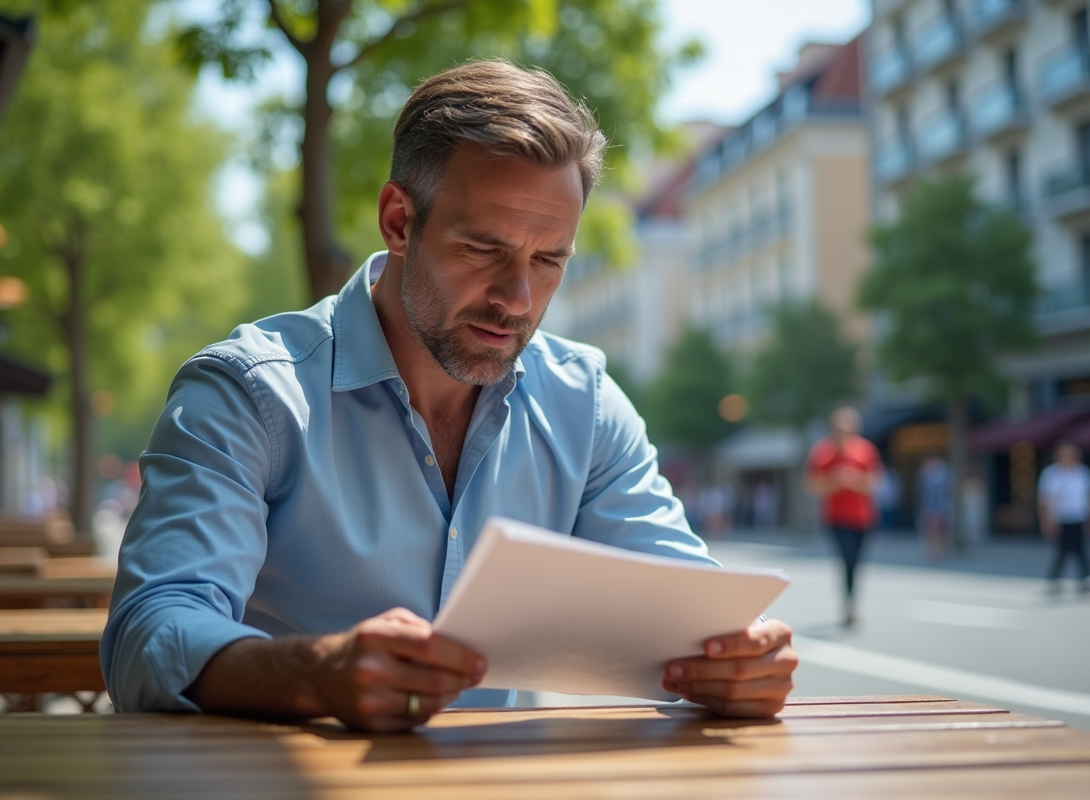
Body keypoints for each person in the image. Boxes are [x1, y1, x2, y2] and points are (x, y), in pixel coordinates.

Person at [101, 60, 797, 732]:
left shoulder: (583, 403)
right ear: (399, 221)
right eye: (482, 249)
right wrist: (316, 673)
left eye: (549, 259)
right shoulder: (248, 394)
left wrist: (741, 656)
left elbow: (693, 609)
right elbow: (149, 634)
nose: (517, 298)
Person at [805, 407, 882, 627]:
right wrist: (836, 481)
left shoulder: (865, 450)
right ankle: (849, 606)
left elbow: (874, 484)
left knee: (856, 562)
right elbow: (813, 486)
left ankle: (852, 601)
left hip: (863, 517)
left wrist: (854, 480)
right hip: (836, 517)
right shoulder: (823, 452)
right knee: (846, 559)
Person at [1037, 442, 1090, 595]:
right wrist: (1046, 521)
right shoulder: (1051, 474)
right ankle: (1054, 579)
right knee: (1062, 550)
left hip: (1078, 517)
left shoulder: (1082, 473)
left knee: (1080, 550)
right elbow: (1044, 500)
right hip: (1060, 518)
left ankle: (1084, 579)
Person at [916, 456, 952, 561]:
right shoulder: (925, 475)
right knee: (931, 531)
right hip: (930, 507)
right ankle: (933, 552)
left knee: (941, 530)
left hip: (942, 507)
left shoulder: (945, 474)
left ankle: (940, 551)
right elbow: (922, 494)